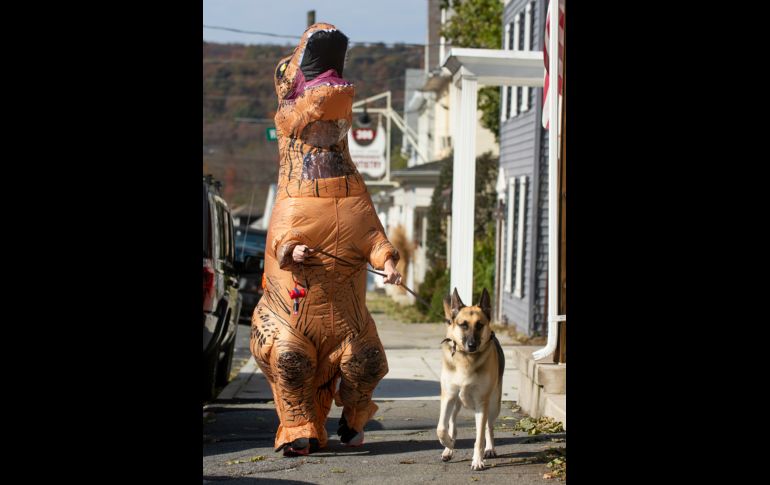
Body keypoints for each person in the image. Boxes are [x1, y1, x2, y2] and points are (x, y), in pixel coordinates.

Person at [250, 22, 402, 457]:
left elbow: (371, 234)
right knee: (290, 360)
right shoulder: (291, 191)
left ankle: (354, 418)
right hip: (292, 316)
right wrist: (288, 250)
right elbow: (281, 238)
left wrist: (387, 260)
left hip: (346, 320)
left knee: (367, 360)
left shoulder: (353, 188)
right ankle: (298, 426)